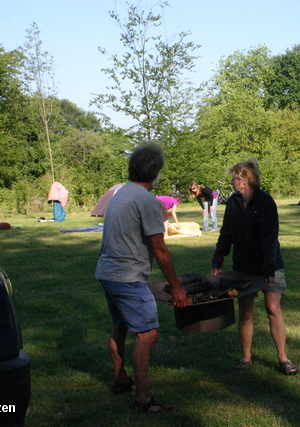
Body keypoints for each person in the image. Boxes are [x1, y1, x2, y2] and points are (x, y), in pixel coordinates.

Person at [95, 143, 187, 413]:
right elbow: (160, 248)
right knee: (148, 334)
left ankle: (121, 379)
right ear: (155, 172)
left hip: (108, 273)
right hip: (127, 277)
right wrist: (176, 286)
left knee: (119, 325)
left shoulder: (121, 194)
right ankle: (144, 398)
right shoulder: (147, 201)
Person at [211, 158, 299, 376]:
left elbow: (270, 237)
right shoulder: (232, 203)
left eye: (235, 178)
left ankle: (283, 358)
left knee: (273, 308)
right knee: (246, 312)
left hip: (270, 264)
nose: (231, 182)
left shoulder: (265, 202)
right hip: (243, 266)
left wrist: (269, 268)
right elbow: (227, 233)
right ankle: (246, 358)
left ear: (246, 180)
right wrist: (218, 258)